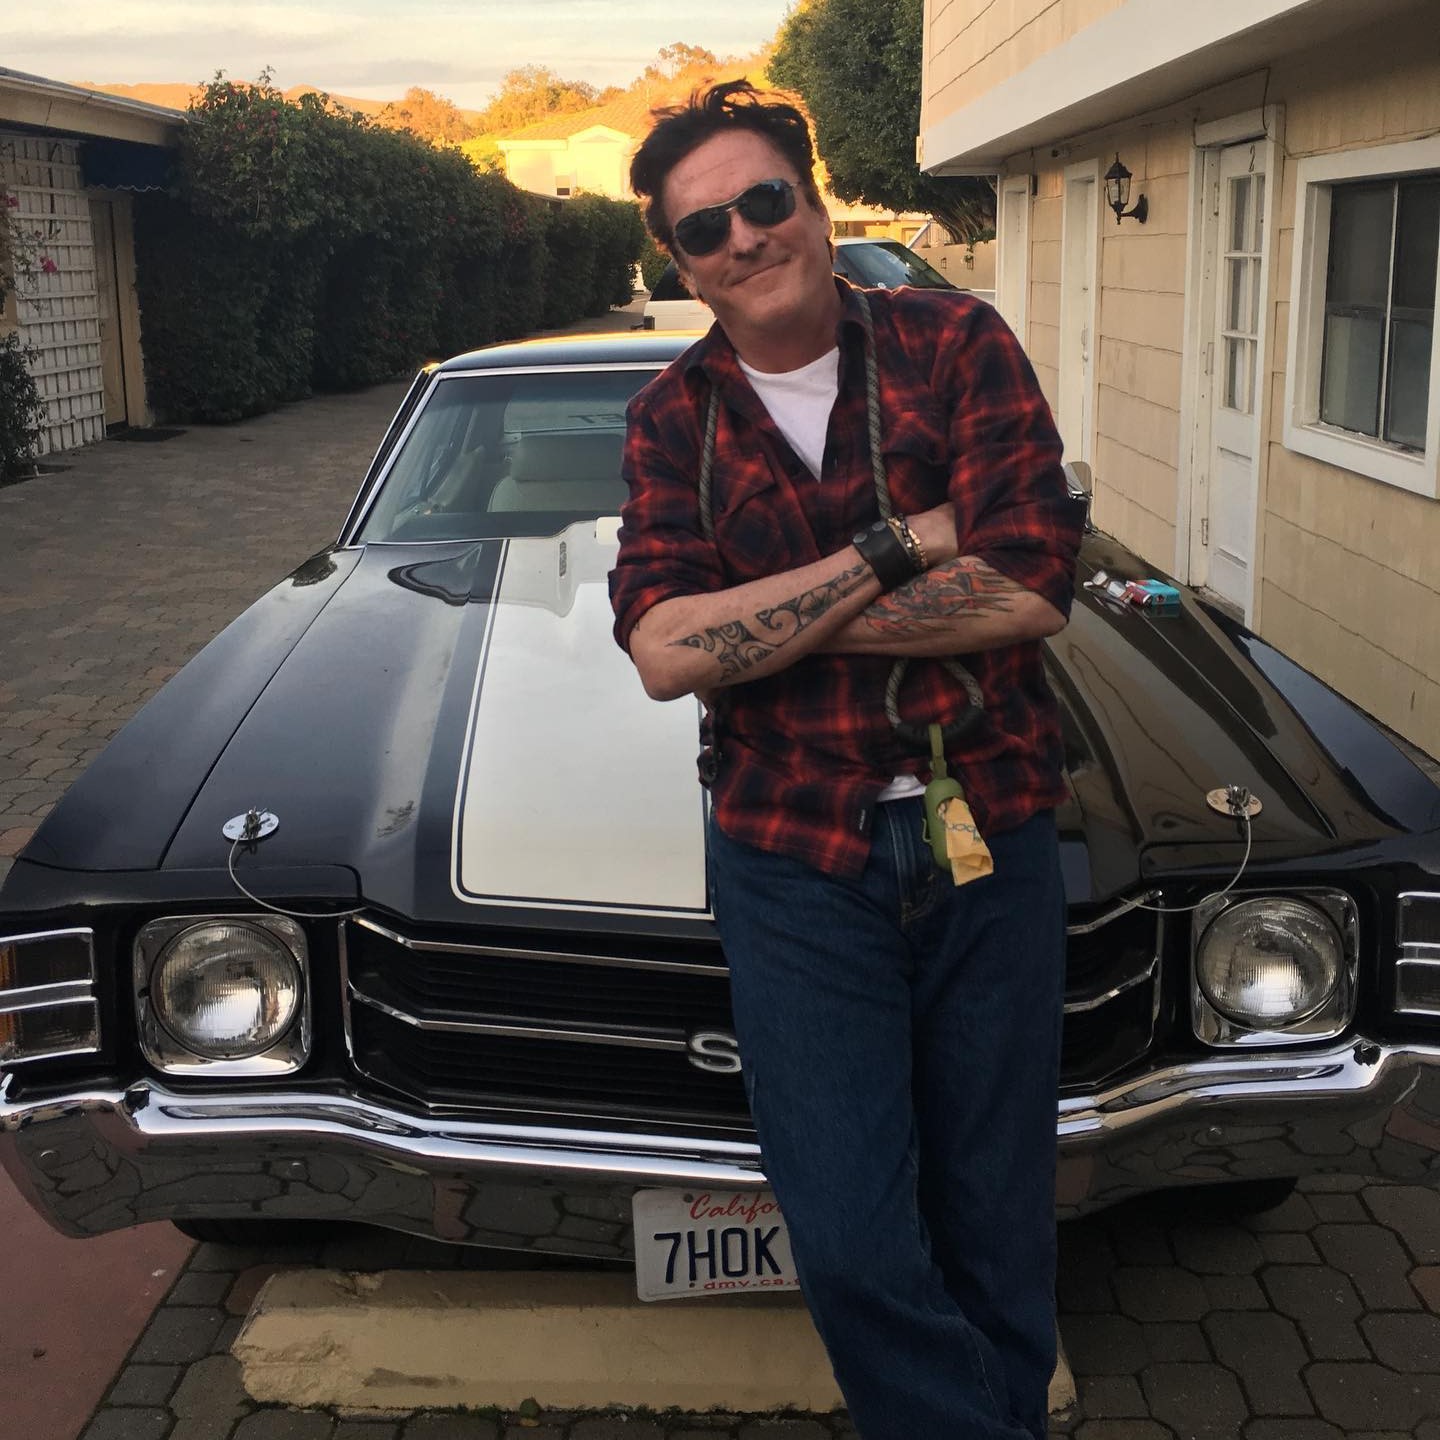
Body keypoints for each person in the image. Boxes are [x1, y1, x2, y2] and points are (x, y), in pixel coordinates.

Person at [609, 80, 1084, 1440]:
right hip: (792, 857)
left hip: (988, 827)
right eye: (705, 230)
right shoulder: (671, 419)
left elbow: (1030, 585)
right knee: (854, 1237)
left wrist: (759, 626)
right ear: (682, 266)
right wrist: (902, 542)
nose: (744, 238)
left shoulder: (956, 342)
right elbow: (663, 653)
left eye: (764, 200)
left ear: (814, 206)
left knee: (996, 1214)